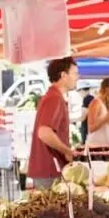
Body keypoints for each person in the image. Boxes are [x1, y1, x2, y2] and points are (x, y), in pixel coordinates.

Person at [28, 56, 79, 189]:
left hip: (48, 170)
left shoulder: (53, 97)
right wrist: (67, 151)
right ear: (63, 75)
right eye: (74, 73)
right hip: (49, 170)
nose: (77, 77)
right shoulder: (54, 98)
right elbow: (44, 132)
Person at [86, 77, 109, 146]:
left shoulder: (108, 105)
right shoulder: (96, 102)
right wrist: (107, 118)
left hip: (106, 147)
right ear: (108, 89)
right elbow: (91, 128)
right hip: (95, 148)